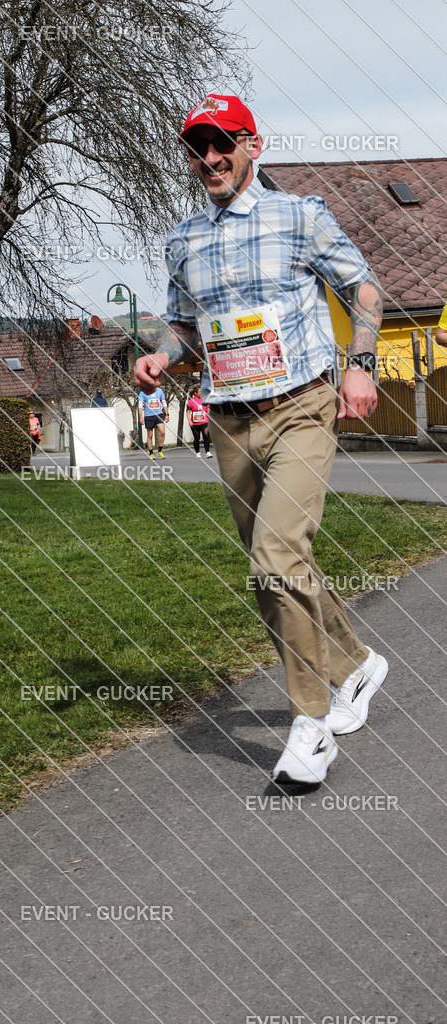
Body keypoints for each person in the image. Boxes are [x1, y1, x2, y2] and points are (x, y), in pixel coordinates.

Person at [134, 93, 389, 785]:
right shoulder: (183, 238)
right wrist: (161, 352)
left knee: (276, 556)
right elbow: (185, 324)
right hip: (229, 419)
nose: (210, 159)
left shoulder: (299, 216)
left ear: (253, 144)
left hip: (303, 405)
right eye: (198, 148)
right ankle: (357, 665)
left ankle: (310, 725)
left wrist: (360, 366)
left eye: (224, 144)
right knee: (274, 564)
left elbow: (364, 290)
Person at [138, 386, 169, 459]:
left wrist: (167, 414)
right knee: (150, 435)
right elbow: (140, 405)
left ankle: (160, 450)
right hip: (149, 415)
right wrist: (141, 417)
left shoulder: (159, 390)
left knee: (162, 432)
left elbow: (164, 403)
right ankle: (151, 453)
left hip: (159, 414)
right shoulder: (143, 392)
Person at [186, 384, 212, 458]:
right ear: (195, 393)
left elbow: (208, 408)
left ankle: (208, 452)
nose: (201, 393)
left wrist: (208, 414)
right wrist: (189, 421)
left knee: (206, 436)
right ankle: (197, 453)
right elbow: (188, 412)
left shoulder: (204, 400)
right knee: (196, 438)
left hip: (204, 421)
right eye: (200, 391)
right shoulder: (191, 401)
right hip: (195, 423)